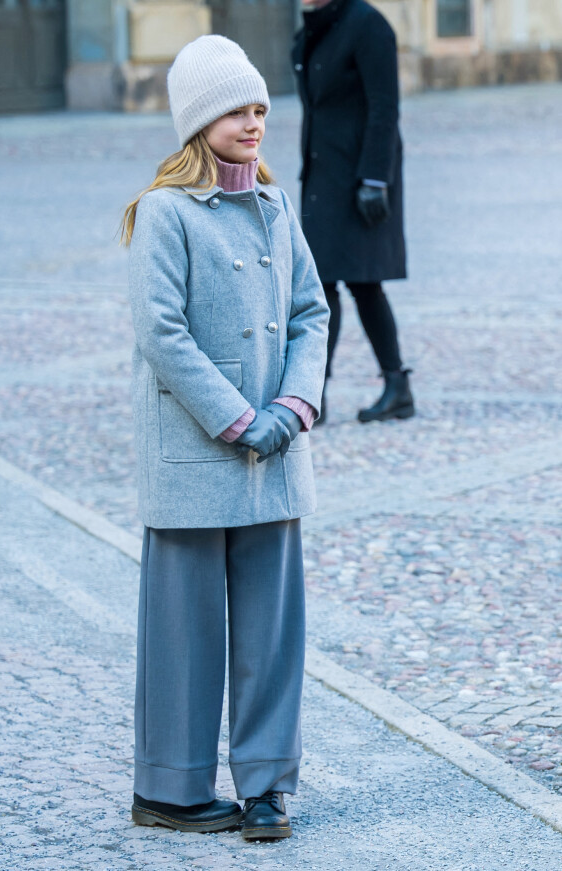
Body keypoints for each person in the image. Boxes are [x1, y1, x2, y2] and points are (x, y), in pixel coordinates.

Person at [121, 36, 328, 841]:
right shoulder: (163, 214)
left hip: (276, 457)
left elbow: (311, 310)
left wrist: (295, 405)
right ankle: (169, 788)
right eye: (239, 109)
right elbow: (161, 334)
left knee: (273, 636)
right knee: (185, 633)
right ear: (200, 118)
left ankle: (269, 786)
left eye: (261, 109)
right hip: (198, 458)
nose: (255, 122)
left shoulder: (278, 209)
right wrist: (239, 417)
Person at [292, 0, 415, 423]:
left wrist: (375, 180)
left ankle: (397, 386)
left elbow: (385, 107)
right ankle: (314, 393)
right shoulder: (314, 28)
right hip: (325, 175)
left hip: (361, 178)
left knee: (364, 283)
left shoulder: (367, 25)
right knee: (319, 285)